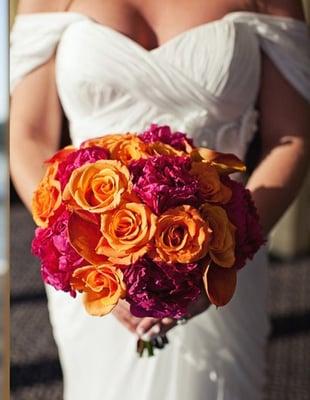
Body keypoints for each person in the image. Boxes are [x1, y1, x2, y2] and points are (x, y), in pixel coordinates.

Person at [10, 0, 310, 399]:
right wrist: (87, 255)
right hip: (94, 274)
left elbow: (290, 138)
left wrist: (220, 256)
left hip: (223, 258)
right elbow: (28, 137)